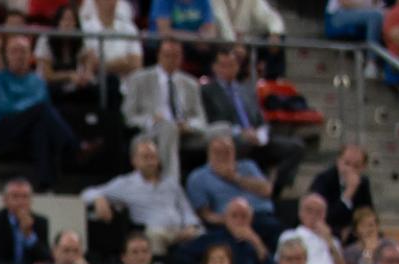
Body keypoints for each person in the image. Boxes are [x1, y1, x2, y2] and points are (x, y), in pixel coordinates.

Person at [201, 47, 303, 197]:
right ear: (215, 67)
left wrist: (261, 134)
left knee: (295, 147)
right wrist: (241, 133)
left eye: (232, 65)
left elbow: (261, 119)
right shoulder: (207, 91)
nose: (229, 69)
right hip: (233, 140)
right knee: (241, 143)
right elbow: (211, 122)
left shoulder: (247, 90)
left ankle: (275, 191)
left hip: (257, 139)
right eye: (224, 65)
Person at [0, 37, 78, 195]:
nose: (19, 56)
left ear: (30, 56)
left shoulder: (37, 81)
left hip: (29, 131)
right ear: (7, 55)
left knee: (41, 127)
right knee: (41, 111)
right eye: (14, 51)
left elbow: (39, 108)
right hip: (3, 129)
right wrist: (28, 109)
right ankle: (71, 145)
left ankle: (45, 184)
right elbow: (2, 107)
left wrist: (27, 109)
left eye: (23, 52)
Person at [121, 39, 207, 180]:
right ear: (159, 55)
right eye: (167, 55)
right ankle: (169, 183)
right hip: (153, 132)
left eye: (176, 55)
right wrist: (151, 120)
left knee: (222, 130)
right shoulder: (139, 79)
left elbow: (201, 118)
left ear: (181, 58)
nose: (171, 60)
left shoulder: (191, 83)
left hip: (187, 133)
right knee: (168, 127)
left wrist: (188, 125)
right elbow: (128, 115)